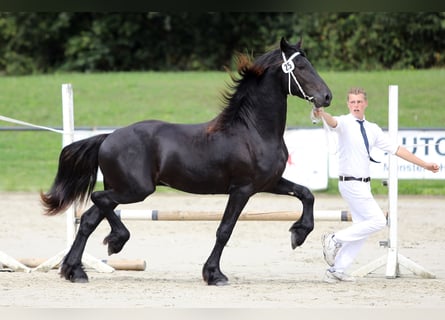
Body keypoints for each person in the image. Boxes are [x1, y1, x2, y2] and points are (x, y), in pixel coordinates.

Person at [314, 87, 440, 283]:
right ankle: (334, 239)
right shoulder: (344, 122)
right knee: (379, 221)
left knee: (363, 228)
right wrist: (322, 113)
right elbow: (332, 121)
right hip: (350, 183)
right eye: (352, 102)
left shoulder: (373, 129)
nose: (356, 105)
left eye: (359, 102)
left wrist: (424, 164)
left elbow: (397, 149)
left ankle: (337, 270)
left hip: (364, 185)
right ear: (348, 104)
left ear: (365, 104)